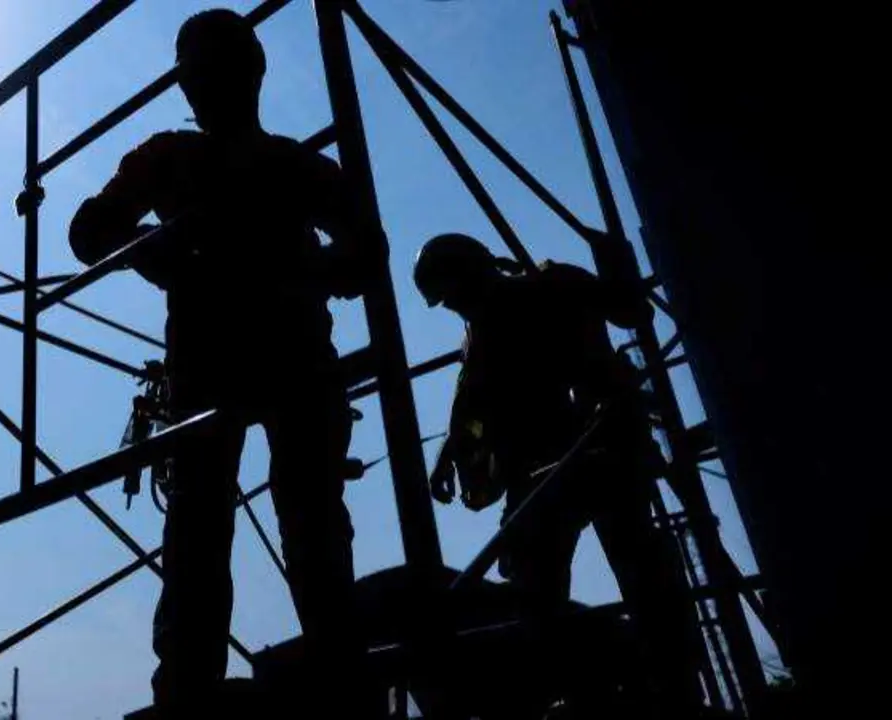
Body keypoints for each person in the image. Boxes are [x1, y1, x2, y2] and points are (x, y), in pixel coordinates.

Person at [68, 9, 370, 715]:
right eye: (194, 72)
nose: (198, 85)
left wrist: (296, 273)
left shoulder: (287, 165)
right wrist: (149, 244)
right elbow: (88, 232)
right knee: (214, 542)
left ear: (243, 75)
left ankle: (330, 691)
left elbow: (363, 254)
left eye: (206, 70)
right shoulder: (175, 157)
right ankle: (198, 697)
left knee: (301, 534)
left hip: (287, 364)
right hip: (223, 370)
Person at [414, 233, 705, 717]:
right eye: (447, 303)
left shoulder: (550, 286)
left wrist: (612, 264)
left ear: (476, 272)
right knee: (537, 592)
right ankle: (577, 689)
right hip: (539, 474)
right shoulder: (479, 330)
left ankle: (675, 684)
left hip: (597, 451)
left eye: (454, 295)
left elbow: (631, 313)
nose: (455, 308)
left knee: (638, 568)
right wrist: (451, 453)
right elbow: (475, 405)